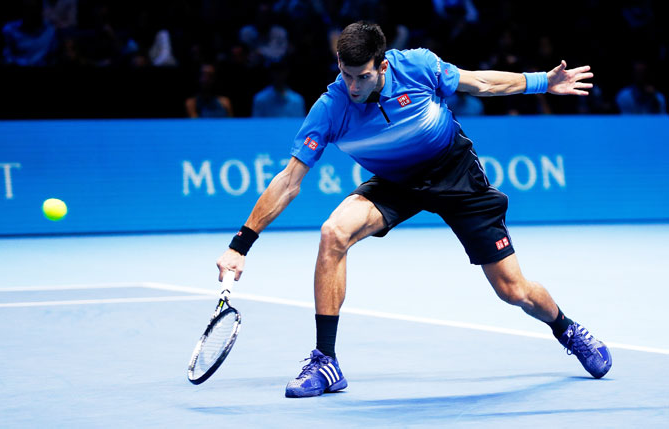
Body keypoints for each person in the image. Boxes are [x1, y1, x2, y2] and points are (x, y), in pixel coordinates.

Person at [216, 21, 611, 398]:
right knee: (333, 232)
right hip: (394, 182)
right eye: (346, 75)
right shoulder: (330, 107)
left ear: (382, 65)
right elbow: (288, 180)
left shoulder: (418, 66)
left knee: (513, 290)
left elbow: (482, 83)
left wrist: (543, 81)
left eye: (363, 77)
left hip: (453, 172)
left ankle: (567, 329)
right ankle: (326, 361)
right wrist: (240, 244)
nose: (353, 86)